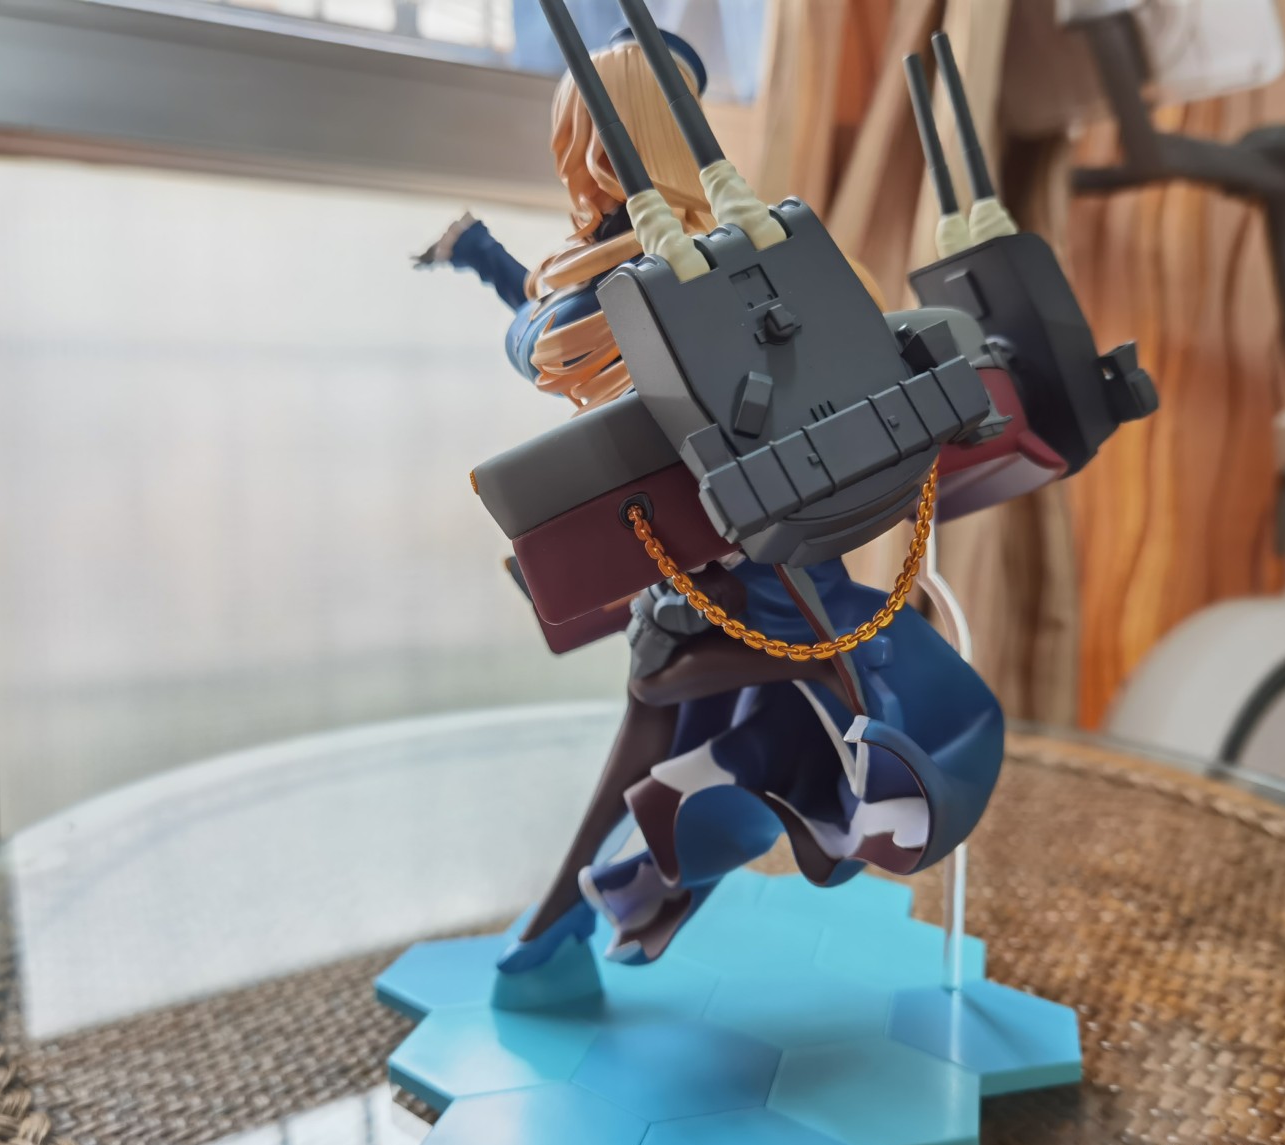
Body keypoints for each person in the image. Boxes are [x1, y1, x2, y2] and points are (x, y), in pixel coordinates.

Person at [416, 30, 1001, 972]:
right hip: (781, 553)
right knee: (665, 720)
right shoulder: (775, 248)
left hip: (723, 579)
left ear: (584, 139)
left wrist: (484, 256)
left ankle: (597, 900)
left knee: (663, 708)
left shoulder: (589, 305)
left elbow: (531, 337)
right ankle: (593, 903)